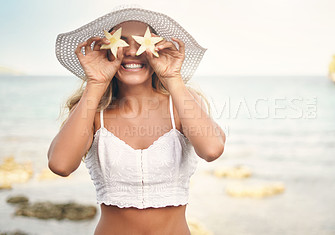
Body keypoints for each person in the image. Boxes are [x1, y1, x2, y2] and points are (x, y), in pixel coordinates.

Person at [47, 5, 226, 235]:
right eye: (122, 42)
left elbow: (212, 150)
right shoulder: (93, 111)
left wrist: (173, 78)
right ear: (106, 50)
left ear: (158, 49)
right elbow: (60, 165)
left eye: (142, 42)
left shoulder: (182, 103)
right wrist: (96, 83)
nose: (132, 51)